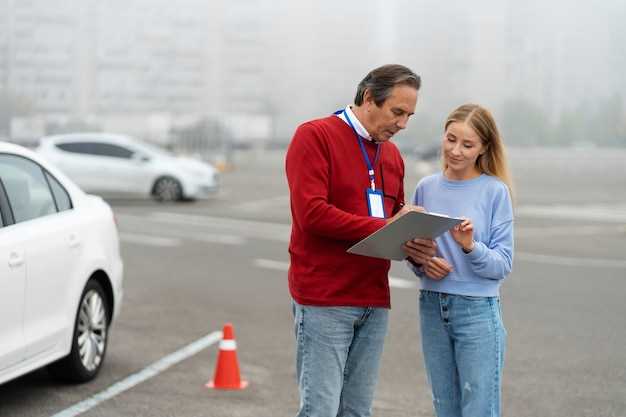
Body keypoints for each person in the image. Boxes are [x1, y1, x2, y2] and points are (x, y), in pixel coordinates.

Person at [285, 64, 435, 417]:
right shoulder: (314, 136)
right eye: (397, 112)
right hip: (325, 299)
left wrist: (417, 248)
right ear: (369, 97)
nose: (403, 124)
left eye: (409, 115)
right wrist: (385, 226)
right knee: (320, 409)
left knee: (357, 411)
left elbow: (395, 224)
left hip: (373, 299)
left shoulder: (393, 155)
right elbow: (312, 214)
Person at [404, 103, 514, 417]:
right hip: (432, 306)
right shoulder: (426, 187)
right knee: (445, 407)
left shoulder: (495, 191)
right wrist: (422, 264)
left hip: (477, 311)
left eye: (468, 145)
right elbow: (413, 249)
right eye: (451, 139)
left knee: (478, 409)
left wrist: (470, 247)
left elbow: (502, 264)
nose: (456, 150)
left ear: (484, 148)